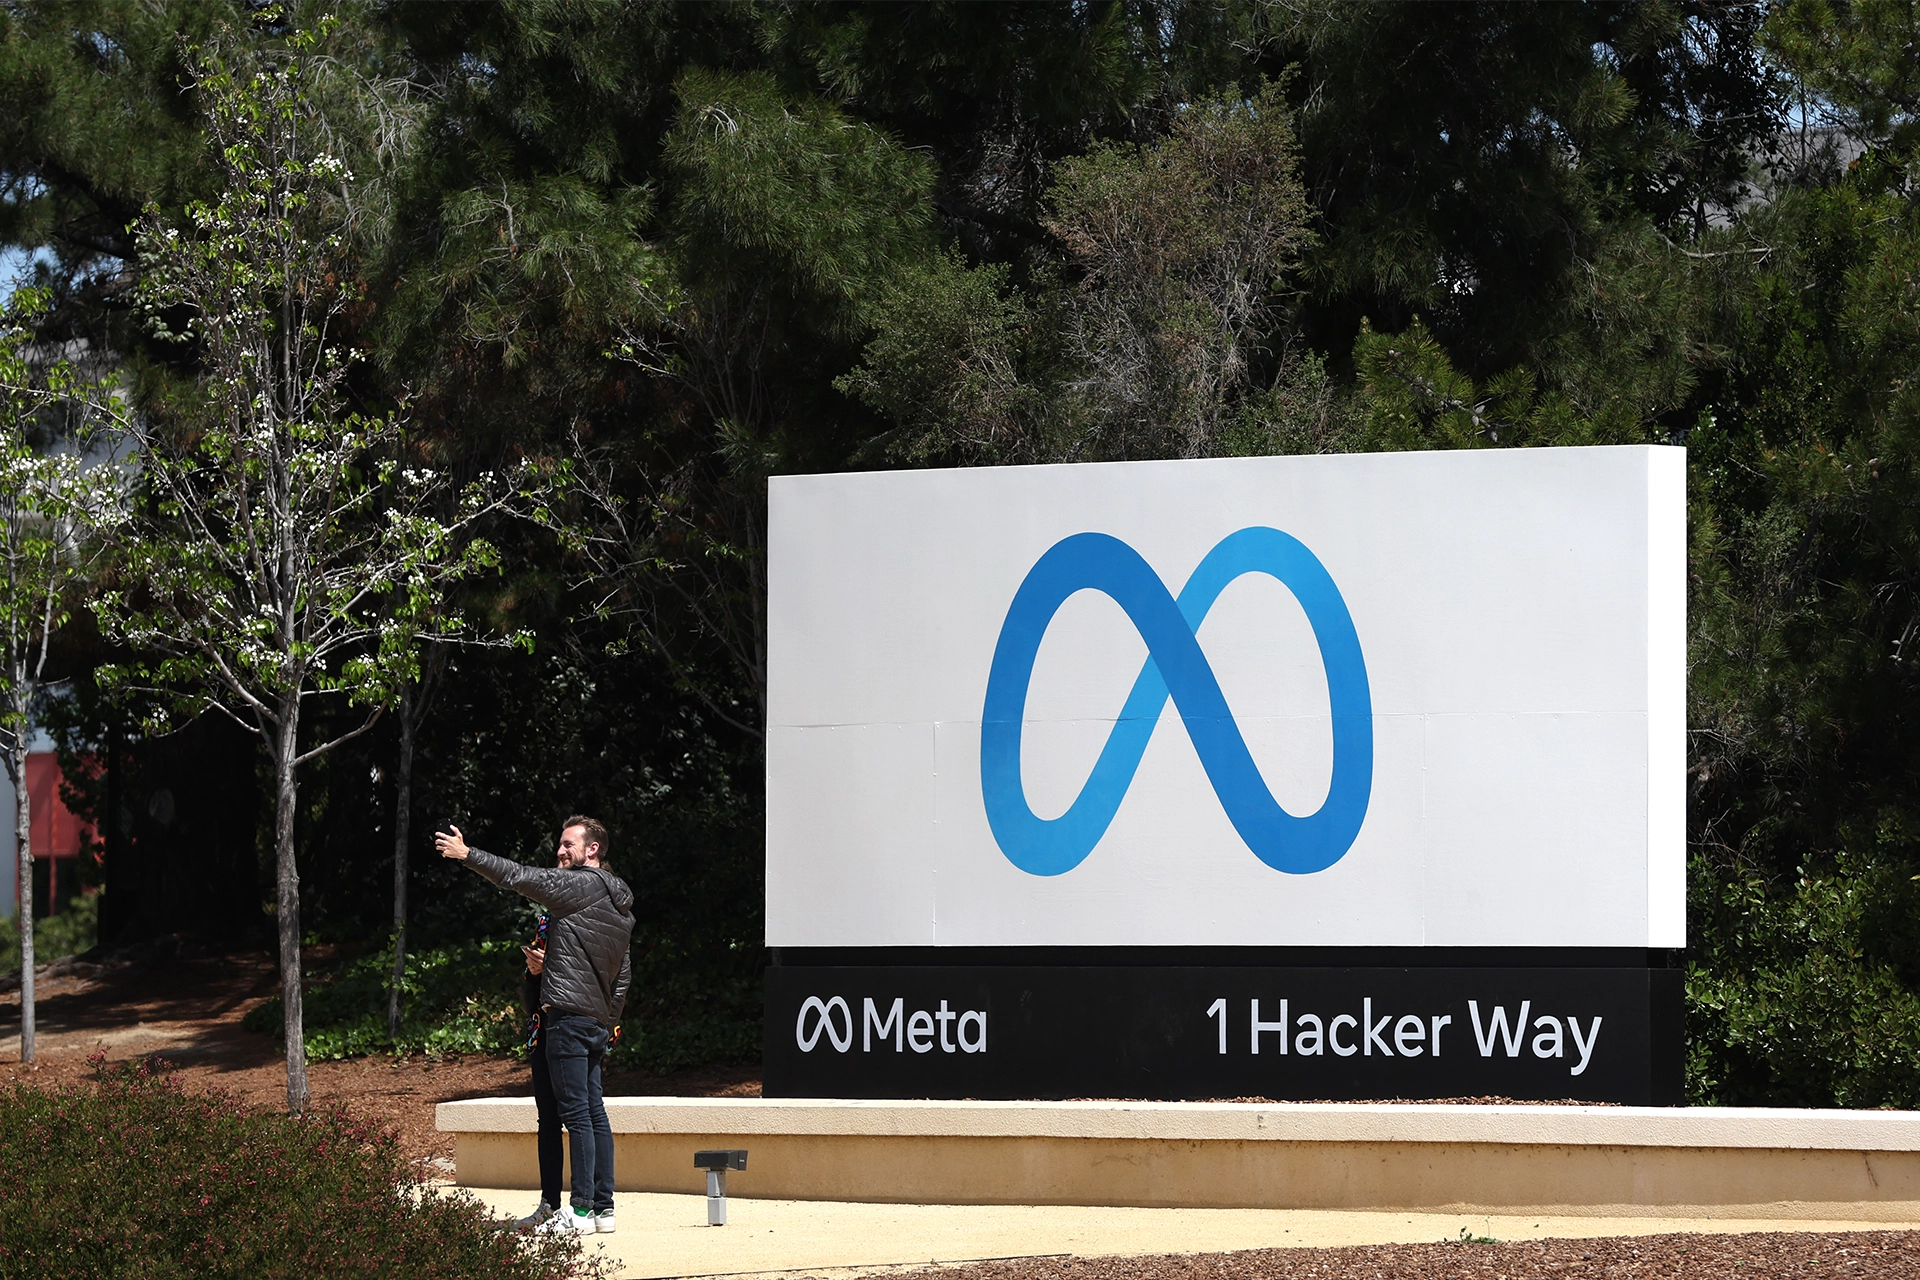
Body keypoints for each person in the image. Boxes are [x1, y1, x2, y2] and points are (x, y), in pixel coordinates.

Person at [437, 816, 633, 1236]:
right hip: (592, 1020)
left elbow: (519, 877)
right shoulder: (619, 906)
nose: (560, 851)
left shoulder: (582, 885)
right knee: (593, 1113)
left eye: (568, 844)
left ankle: (578, 1213)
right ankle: (602, 1209)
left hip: (567, 1016)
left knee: (576, 1113)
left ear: (593, 849)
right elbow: (623, 975)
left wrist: (467, 854)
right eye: (559, 845)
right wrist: (604, 1019)